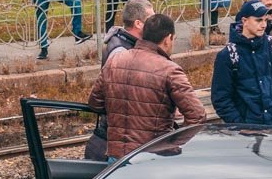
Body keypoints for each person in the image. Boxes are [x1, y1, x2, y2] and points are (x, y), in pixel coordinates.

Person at [87, 14, 206, 159]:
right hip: (152, 158)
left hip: (116, 158)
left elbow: (95, 103)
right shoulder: (170, 70)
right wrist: (172, 144)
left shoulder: (115, 60)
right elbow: (197, 115)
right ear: (168, 39)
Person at [86, 0, 155, 161]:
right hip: (120, 136)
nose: (154, 24)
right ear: (138, 23)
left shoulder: (122, 41)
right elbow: (116, 90)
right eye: (151, 19)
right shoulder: (120, 51)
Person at [211, 0, 272, 126]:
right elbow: (221, 98)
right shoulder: (229, 55)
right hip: (249, 130)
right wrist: (239, 124)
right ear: (245, 21)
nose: (263, 25)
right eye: (258, 20)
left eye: (265, 20)